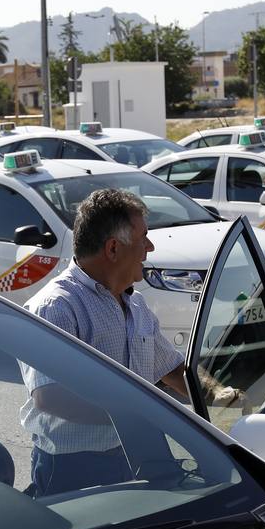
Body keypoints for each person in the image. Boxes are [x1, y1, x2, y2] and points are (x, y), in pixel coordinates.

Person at [20, 188, 193, 495]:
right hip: (75, 469)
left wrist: (224, 394)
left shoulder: (135, 304)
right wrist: (143, 412)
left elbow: (175, 369)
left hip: (137, 453)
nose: (149, 247)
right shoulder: (57, 307)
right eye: (143, 238)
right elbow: (51, 397)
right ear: (113, 249)